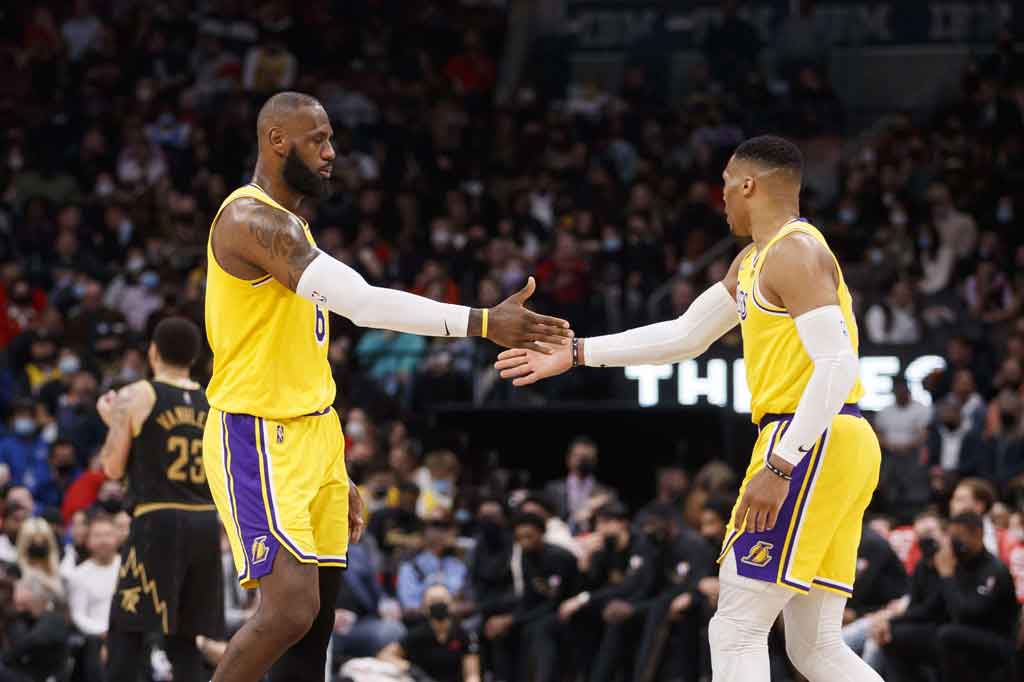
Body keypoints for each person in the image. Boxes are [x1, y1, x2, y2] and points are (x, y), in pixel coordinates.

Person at [201, 91, 571, 682]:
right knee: (289, 610)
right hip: (257, 432)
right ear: (276, 141)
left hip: (313, 432)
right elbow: (364, 305)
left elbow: (300, 356)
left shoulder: (293, 224)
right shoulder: (251, 220)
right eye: (317, 139)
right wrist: (481, 321)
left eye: (330, 139)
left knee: (315, 626)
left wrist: (334, 465)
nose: (331, 151)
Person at [496, 136, 883, 682]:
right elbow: (684, 335)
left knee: (736, 628)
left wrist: (780, 464)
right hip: (832, 438)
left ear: (748, 184)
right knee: (814, 646)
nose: (720, 195)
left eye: (726, 182)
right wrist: (578, 352)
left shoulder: (795, 251)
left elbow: (837, 366)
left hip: (807, 436)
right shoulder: (754, 260)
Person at [98, 317, 225, 682]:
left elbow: (111, 466)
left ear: (153, 352)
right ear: (195, 357)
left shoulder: (137, 395)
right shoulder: (212, 401)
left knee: (127, 630)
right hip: (205, 524)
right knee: (184, 640)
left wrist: (113, 423)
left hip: (159, 520)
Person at [378, 584, 481, 682]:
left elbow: (472, 674)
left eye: (441, 600)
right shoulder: (416, 635)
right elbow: (385, 655)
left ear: (451, 604)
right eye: (433, 601)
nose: (438, 605)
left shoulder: (463, 634)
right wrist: (411, 668)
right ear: (424, 607)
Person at [67, 513, 121, 682]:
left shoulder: (129, 569)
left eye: (108, 535)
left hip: (127, 633)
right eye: (97, 536)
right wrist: (104, 633)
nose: (103, 540)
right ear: (88, 540)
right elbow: (78, 615)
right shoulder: (79, 575)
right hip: (95, 638)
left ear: (117, 538)